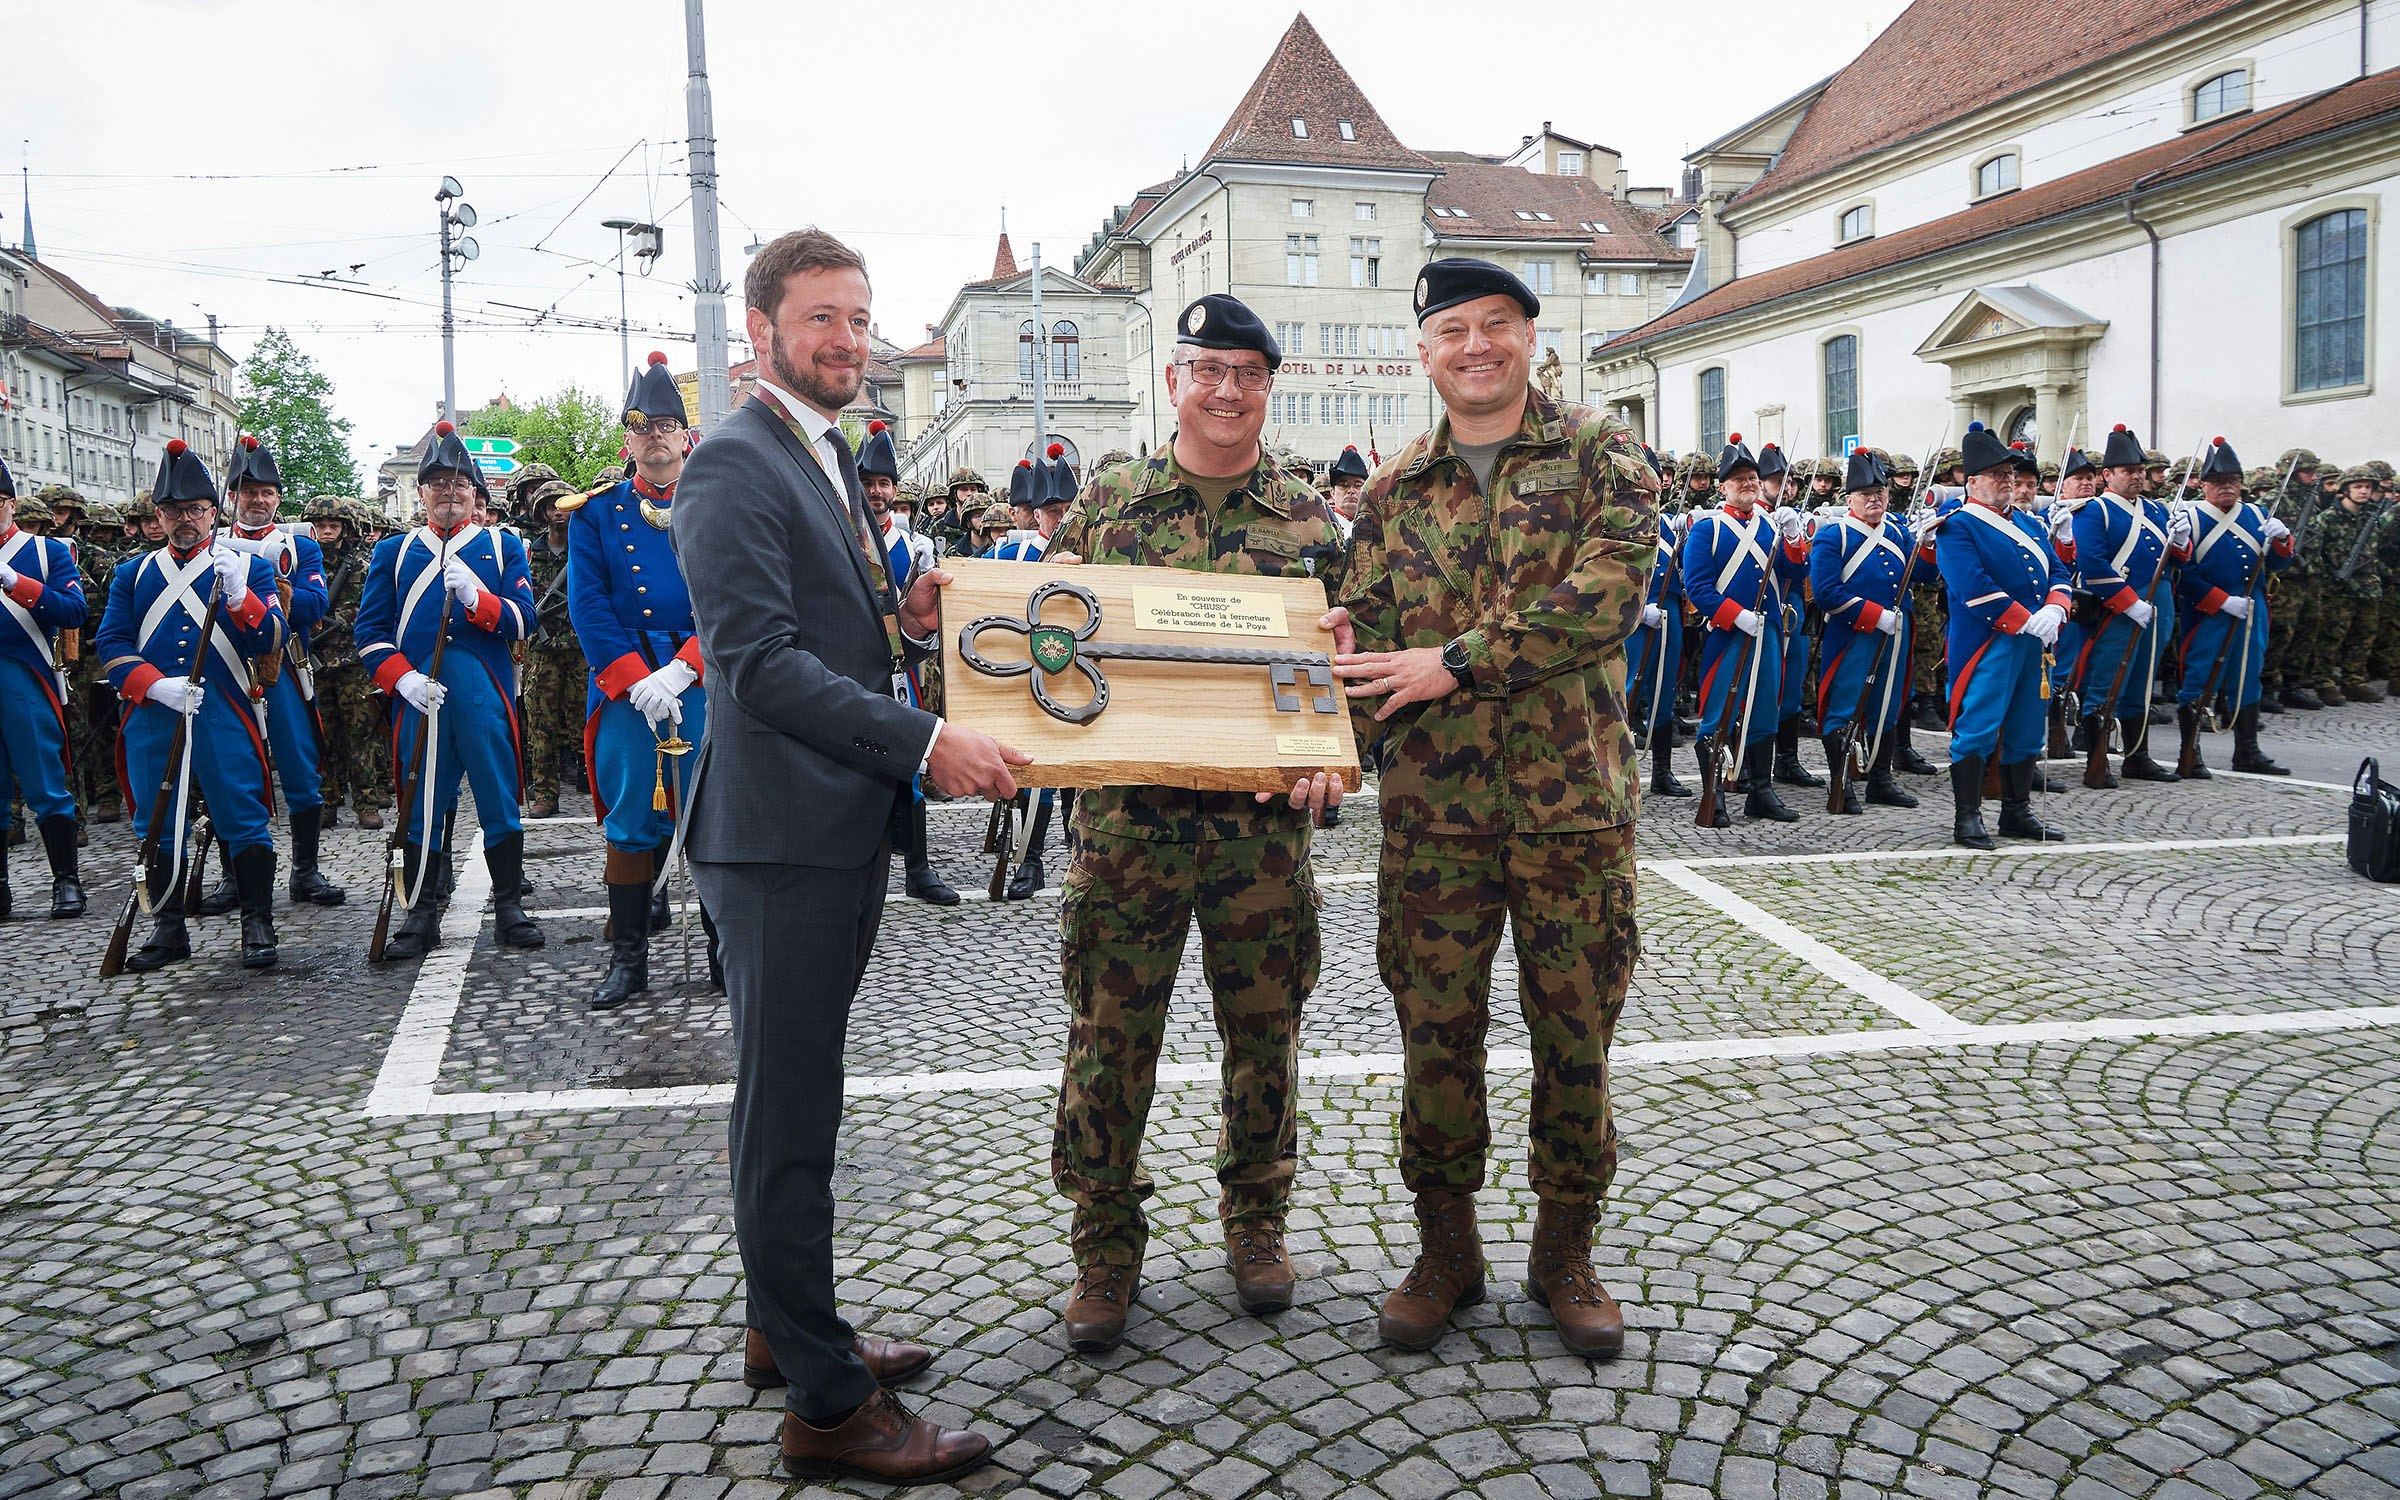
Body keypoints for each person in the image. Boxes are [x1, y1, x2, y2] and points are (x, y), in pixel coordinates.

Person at [675, 228, 1017, 1486]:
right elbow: (758, 664)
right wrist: (925, 742)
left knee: (799, 1099)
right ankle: (826, 1409)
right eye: (821, 317)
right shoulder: (733, 458)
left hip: (819, 828)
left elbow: (819, 628)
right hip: (777, 838)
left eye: (860, 318)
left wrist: (903, 623)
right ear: (761, 329)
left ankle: (787, 1329)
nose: (848, 340)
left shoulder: (815, 447)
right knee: (785, 1115)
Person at [1328, 258, 1654, 1360]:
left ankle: (1566, 1255)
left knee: (1576, 1040)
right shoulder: (1390, 492)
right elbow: (1367, 650)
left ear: (1530, 339)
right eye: (1454, 329)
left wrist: (1458, 661)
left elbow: (1605, 597)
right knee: (1436, 1037)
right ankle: (1446, 1252)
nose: (1476, 345)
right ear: (1423, 352)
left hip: (1574, 814)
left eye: (1497, 324)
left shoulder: (1602, 453)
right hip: (1435, 818)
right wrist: (1317, 738)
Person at [1038, 293, 1345, 1351]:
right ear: (1175, 380)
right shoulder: (1109, 503)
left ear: (1269, 387)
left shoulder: (1309, 521)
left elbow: (1340, 668)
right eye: (1207, 369)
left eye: (1246, 374)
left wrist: (1331, 757)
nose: (1226, 390)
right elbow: (1046, 639)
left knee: (1265, 1035)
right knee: (1108, 1038)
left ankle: (1256, 1219)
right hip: (1128, 830)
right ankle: (1104, 1244)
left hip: (1261, 838)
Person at [355, 422, 545, 961]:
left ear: (475, 494)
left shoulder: (502, 546)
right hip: (421, 698)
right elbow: (370, 633)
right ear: (421, 492)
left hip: (484, 697)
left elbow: (524, 620)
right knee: (421, 806)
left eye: (460, 484)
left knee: (498, 801)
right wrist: (402, 678)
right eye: (438, 483)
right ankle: (420, 912)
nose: (449, 491)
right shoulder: (393, 552)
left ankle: (509, 907)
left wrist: (478, 601)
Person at [98, 440, 287, 969]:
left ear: (213, 512)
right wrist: (154, 685)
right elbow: (111, 644)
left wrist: (240, 597)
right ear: (159, 516)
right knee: (157, 823)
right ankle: (168, 928)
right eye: (174, 510)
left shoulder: (247, 568)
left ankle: (257, 922)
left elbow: (272, 638)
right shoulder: (133, 575)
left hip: (224, 712)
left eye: (196, 509)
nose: (186, 519)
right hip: (153, 715)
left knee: (242, 817)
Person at [563, 355, 711, 1007]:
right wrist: (633, 680)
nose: (655, 437)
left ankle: (722, 950)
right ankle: (629, 961)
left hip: (701, 680)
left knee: (710, 814)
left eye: (666, 426)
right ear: (628, 440)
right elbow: (588, 605)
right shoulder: (596, 513)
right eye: (642, 427)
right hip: (626, 688)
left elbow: (733, 596)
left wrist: (684, 668)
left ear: (685, 436)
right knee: (629, 822)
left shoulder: (716, 503)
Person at [191, 436, 344, 913]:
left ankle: (305, 871)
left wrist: (275, 592)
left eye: (266, 492)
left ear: (278, 498)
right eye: (248, 492)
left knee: (300, 768)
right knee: (226, 774)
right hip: (227, 671)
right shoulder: (207, 544)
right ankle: (235, 877)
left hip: (283, 668)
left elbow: (316, 604)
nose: (257, 500)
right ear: (231, 497)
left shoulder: (300, 546)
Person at [1935, 422, 2070, 850]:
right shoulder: (1957, 526)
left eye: (2010, 474)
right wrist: (2024, 619)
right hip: (1988, 642)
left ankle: (2016, 811)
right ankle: (1968, 817)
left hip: (2034, 642)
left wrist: (2056, 607)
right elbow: (1970, 585)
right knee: (1978, 727)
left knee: (2028, 728)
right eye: (1998, 474)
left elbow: (2059, 571)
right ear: (1972, 482)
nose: (2007, 481)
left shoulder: (2030, 525)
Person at [851, 418, 959, 907]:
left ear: (894, 490)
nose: (876, 492)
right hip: (850, 670)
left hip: (899, 671)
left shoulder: (916, 546)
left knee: (910, 765)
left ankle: (918, 868)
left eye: (884, 483)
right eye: (868, 482)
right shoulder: (841, 535)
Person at [1681, 435, 1808, 823]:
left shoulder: (1771, 525)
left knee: (1765, 710)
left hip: (1767, 633)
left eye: (1752, 478)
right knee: (1718, 713)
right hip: (1728, 636)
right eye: (1739, 479)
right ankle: (1713, 794)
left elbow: (1794, 572)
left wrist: (1793, 539)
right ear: (1723, 487)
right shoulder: (1708, 529)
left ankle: (1761, 792)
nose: (1748, 484)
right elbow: (1698, 588)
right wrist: (1736, 616)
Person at [1809, 448, 1922, 814]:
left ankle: (1881, 780)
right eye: (1865, 494)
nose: (1875, 499)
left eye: (1880, 492)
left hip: (1895, 635)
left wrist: (1929, 543)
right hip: (1853, 635)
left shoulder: (1899, 532)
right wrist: (1874, 616)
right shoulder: (1834, 536)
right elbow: (1826, 593)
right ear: (1849, 499)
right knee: (1844, 707)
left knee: (1887, 704)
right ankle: (1840, 783)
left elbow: (1924, 574)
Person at [2172, 436, 2293, 777]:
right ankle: (2190, 752)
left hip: (2252, 613)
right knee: (2198, 678)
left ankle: (2247, 751)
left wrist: (2282, 541)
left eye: (2232, 481)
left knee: (2248, 677)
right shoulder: (2190, 518)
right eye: (2218, 481)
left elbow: (2279, 565)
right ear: (2204, 486)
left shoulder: (2256, 514)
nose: (2226, 486)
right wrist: (2221, 601)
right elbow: (2182, 573)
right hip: (2206, 614)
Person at [0, 458, 89, 918]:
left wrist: (17, 582)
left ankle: (66, 880)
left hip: (24, 675)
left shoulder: (44, 552)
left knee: (44, 782)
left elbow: (74, 611)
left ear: (11, 504)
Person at [2074, 425, 2187, 786]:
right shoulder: (2094, 511)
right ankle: (2096, 760)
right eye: (2128, 470)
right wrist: (2128, 603)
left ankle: (2137, 756)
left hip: (2157, 606)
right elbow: (2092, 565)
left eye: (2140, 470)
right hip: (2117, 609)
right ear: (2107, 475)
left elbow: (2174, 560)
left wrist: (2181, 542)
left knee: (2141, 680)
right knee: (2107, 683)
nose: (2137, 476)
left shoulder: (2155, 510)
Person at [305, 497, 384, 830]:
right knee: (322, 736)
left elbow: (374, 609)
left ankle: (366, 801)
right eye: (320, 525)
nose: (326, 531)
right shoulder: (301, 564)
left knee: (361, 734)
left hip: (352, 662)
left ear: (345, 529)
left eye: (333, 525)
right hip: (315, 663)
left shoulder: (362, 567)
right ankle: (327, 801)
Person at [514, 464, 584, 819]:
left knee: (585, 721)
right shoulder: (527, 554)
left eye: (563, 505)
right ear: (541, 512)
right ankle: (544, 792)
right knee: (540, 724)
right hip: (542, 652)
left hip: (581, 649)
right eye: (551, 506)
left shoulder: (586, 551)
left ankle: (595, 780)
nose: (558, 511)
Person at [1326, 443, 1369, 533]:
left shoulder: (1376, 528)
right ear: (1332, 493)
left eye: (1358, 485)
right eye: (1344, 485)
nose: (1351, 491)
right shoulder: (1323, 526)